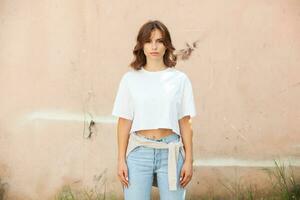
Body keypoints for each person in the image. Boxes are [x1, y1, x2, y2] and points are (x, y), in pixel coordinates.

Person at [111, 20, 197, 200]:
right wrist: (121, 160)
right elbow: (124, 121)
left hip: (170, 153)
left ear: (167, 45)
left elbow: (185, 122)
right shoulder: (130, 79)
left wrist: (189, 160)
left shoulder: (179, 80)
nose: (154, 46)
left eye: (159, 41)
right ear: (141, 46)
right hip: (139, 152)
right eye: (149, 41)